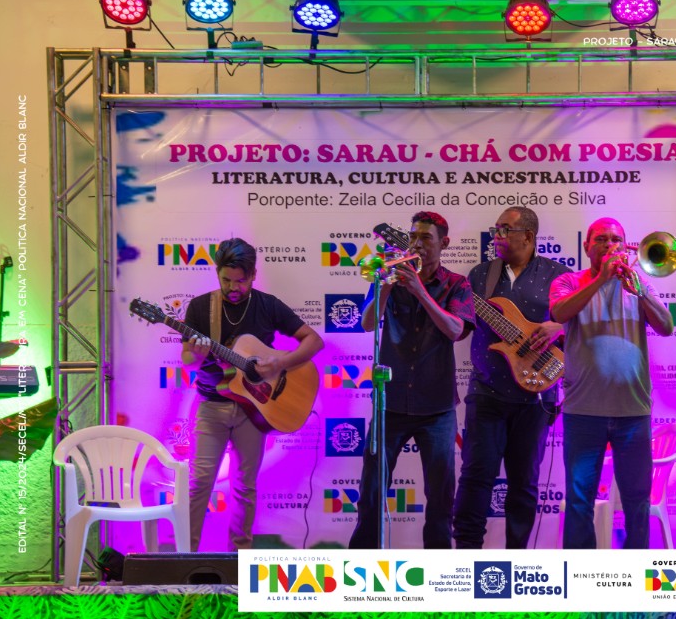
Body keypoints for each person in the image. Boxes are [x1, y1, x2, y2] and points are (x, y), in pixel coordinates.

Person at [182, 237, 323, 551]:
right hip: (212, 405)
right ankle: (186, 556)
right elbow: (188, 361)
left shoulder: (267, 304)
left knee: (245, 486)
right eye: (226, 280)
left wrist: (279, 364)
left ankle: (239, 557)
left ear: (254, 275)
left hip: (254, 410)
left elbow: (314, 341)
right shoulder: (201, 307)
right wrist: (198, 356)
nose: (233, 288)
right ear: (217, 273)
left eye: (240, 281)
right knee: (199, 483)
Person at [349, 211, 475, 549]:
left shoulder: (457, 284)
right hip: (390, 404)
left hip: (437, 407)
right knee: (371, 492)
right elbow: (367, 323)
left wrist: (420, 292)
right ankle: (360, 566)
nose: (417, 244)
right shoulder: (389, 274)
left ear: (444, 243)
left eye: (426, 238)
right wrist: (387, 286)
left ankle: (438, 569)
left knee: (440, 496)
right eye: (413, 237)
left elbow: (456, 330)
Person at [549, 218, 676, 549]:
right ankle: (580, 575)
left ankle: (636, 574)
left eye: (616, 239)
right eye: (601, 239)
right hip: (583, 412)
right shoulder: (568, 281)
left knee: (637, 501)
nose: (609, 245)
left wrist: (640, 293)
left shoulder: (638, 283)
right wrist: (601, 280)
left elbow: (666, 326)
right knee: (579, 500)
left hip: (632, 412)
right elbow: (559, 313)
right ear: (586, 246)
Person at [452, 206, 570, 549]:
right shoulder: (479, 275)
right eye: (496, 229)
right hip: (487, 390)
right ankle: (467, 556)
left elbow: (580, 323)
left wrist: (559, 327)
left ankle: (517, 557)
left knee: (525, 483)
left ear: (528, 236)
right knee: (475, 476)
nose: (496, 236)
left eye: (504, 230)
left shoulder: (559, 276)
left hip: (536, 396)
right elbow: (463, 328)